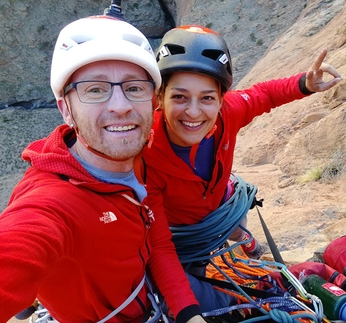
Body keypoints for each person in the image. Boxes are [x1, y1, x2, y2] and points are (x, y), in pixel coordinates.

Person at [0, 16, 208, 323]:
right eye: (95, 90)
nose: (120, 105)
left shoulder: (139, 158)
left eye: (135, 87)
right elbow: (19, 245)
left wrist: (189, 314)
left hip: (150, 298)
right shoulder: (52, 203)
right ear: (65, 109)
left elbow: (159, 244)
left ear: (152, 101)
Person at [141, 25, 342, 274]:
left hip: (220, 202)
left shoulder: (229, 113)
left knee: (237, 227)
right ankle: (241, 243)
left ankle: (250, 245)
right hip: (183, 231)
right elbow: (160, 245)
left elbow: (264, 95)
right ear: (160, 97)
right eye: (180, 97)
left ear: (221, 99)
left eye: (207, 98)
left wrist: (304, 84)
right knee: (200, 270)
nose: (193, 112)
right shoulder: (145, 152)